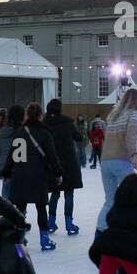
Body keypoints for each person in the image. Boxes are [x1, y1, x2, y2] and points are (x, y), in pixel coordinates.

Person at [7, 102, 63, 252]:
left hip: (19, 174)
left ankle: (19, 238)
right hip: (38, 174)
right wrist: (58, 172)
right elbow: (52, 155)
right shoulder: (45, 133)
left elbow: (11, 155)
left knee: (20, 208)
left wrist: (7, 172)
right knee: (40, 207)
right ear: (40, 115)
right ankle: (44, 239)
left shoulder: (19, 132)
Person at [97, 89, 137, 233]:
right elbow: (131, 137)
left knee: (110, 200)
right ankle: (129, 229)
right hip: (121, 161)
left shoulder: (115, 116)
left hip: (105, 161)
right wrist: (134, 154)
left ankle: (101, 229)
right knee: (129, 197)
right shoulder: (134, 114)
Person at [43, 98, 85, 236]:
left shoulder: (45, 124)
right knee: (69, 193)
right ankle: (69, 224)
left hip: (54, 162)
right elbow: (79, 138)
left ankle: (50, 222)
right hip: (69, 162)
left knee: (55, 193)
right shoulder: (68, 123)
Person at [0, 104, 23, 200]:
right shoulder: (24, 131)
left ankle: (5, 211)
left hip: (5, 166)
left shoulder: (3, 131)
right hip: (20, 165)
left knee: (6, 189)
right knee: (20, 192)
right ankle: (19, 212)